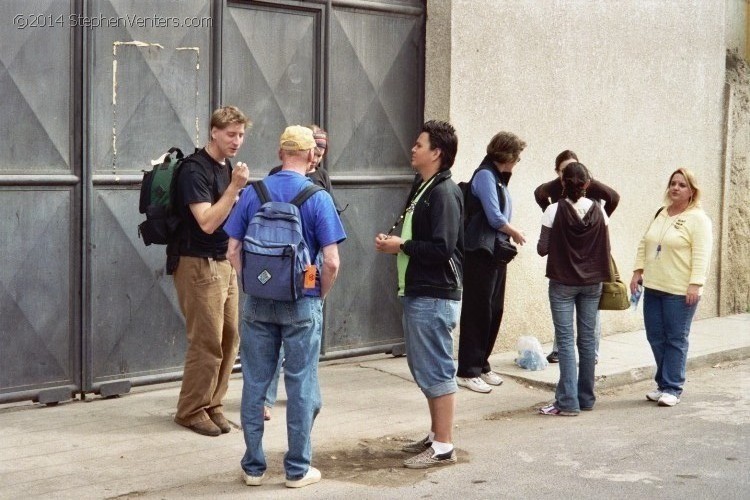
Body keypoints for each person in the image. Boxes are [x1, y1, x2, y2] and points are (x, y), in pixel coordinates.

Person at [226, 125, 346, 488]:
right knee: (301, 384)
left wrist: (253, 285)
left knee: (255, 383)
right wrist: (319, 295)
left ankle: (253, 467)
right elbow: (332, 262)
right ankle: (297, 469)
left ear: (280, 154)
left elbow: (232, 250)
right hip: (302, 303)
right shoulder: (317, 196)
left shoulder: (253, 192)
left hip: (257, 304)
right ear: (311, 157)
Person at [375, 120, 463, 469]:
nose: (413, 148)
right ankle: (435, 434)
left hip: (434, 294)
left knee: (437, 368)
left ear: (436, 153)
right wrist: (398, 246)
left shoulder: (444, 193)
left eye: (419, 144)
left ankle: (443, 445)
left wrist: (402, 245)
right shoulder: (426, 186)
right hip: (420, 291)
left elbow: (443, 247)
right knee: (424, 365)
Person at [170, 106, 250, 437]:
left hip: (222, 262)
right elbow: (206, 222)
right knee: (206, 340)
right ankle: (190, 409)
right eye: (231, 134)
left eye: (241, 135)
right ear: (213, 132)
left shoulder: (226, 166)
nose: (237, 141)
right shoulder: (194, 170)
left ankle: (213, 403)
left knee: (230, 337)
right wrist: (234, 189)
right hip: (197, 262)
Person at [263, 125, 341, 421]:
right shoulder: (277, 175)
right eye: (315, 152)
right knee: (289, 335)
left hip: (307, 262)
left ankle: (300, 397)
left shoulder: (321, 180)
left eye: (322, 153)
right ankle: (272, 400)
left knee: (297, 338)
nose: (317, 158)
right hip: (284, 262)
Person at [630, 168, 712, 407]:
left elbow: (702, 255)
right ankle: (663, 384)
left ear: (692, 191)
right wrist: (637, 271)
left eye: (682, 185)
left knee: (676, 338)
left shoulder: (698, 219)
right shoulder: (661, 213)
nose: (676, 188)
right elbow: (645, 244)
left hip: (680, 291)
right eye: (673, 184)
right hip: (654, 286)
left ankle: (673, 387)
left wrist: (695, 285)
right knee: (655, 337)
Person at [537, 162, 610, 416]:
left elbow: (542, 249)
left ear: (563, 184)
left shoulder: (553, 210)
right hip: (592, 283)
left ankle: (567, 402)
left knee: (566, 341)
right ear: (587, 184)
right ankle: (586, 398)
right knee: (588, 340)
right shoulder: (601, 212)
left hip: (562, 283)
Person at [534, 150, 620, 363]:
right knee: (577, 340)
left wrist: (552, 217)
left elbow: (542, 248)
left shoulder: (592, 205)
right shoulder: (557, 203)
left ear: (585, 178)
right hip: (584, 274)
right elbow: (538, 193)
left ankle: (572, 391)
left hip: (572, 273)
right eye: (565, 170)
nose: (571, 176)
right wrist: (552, 215)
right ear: (559, 175)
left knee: (573, 340)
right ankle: (584, 393)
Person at [456, 132, 526, 393]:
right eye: (516, 157)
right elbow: (494, 216)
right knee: (477, 309)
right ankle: (467, 370)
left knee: (494, 309)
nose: (517, 162)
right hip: (480, 251)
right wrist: (515, 232)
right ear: (506, 155)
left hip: (496, 251)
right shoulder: (485, 175)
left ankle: (482, 364)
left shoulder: (499, 178)